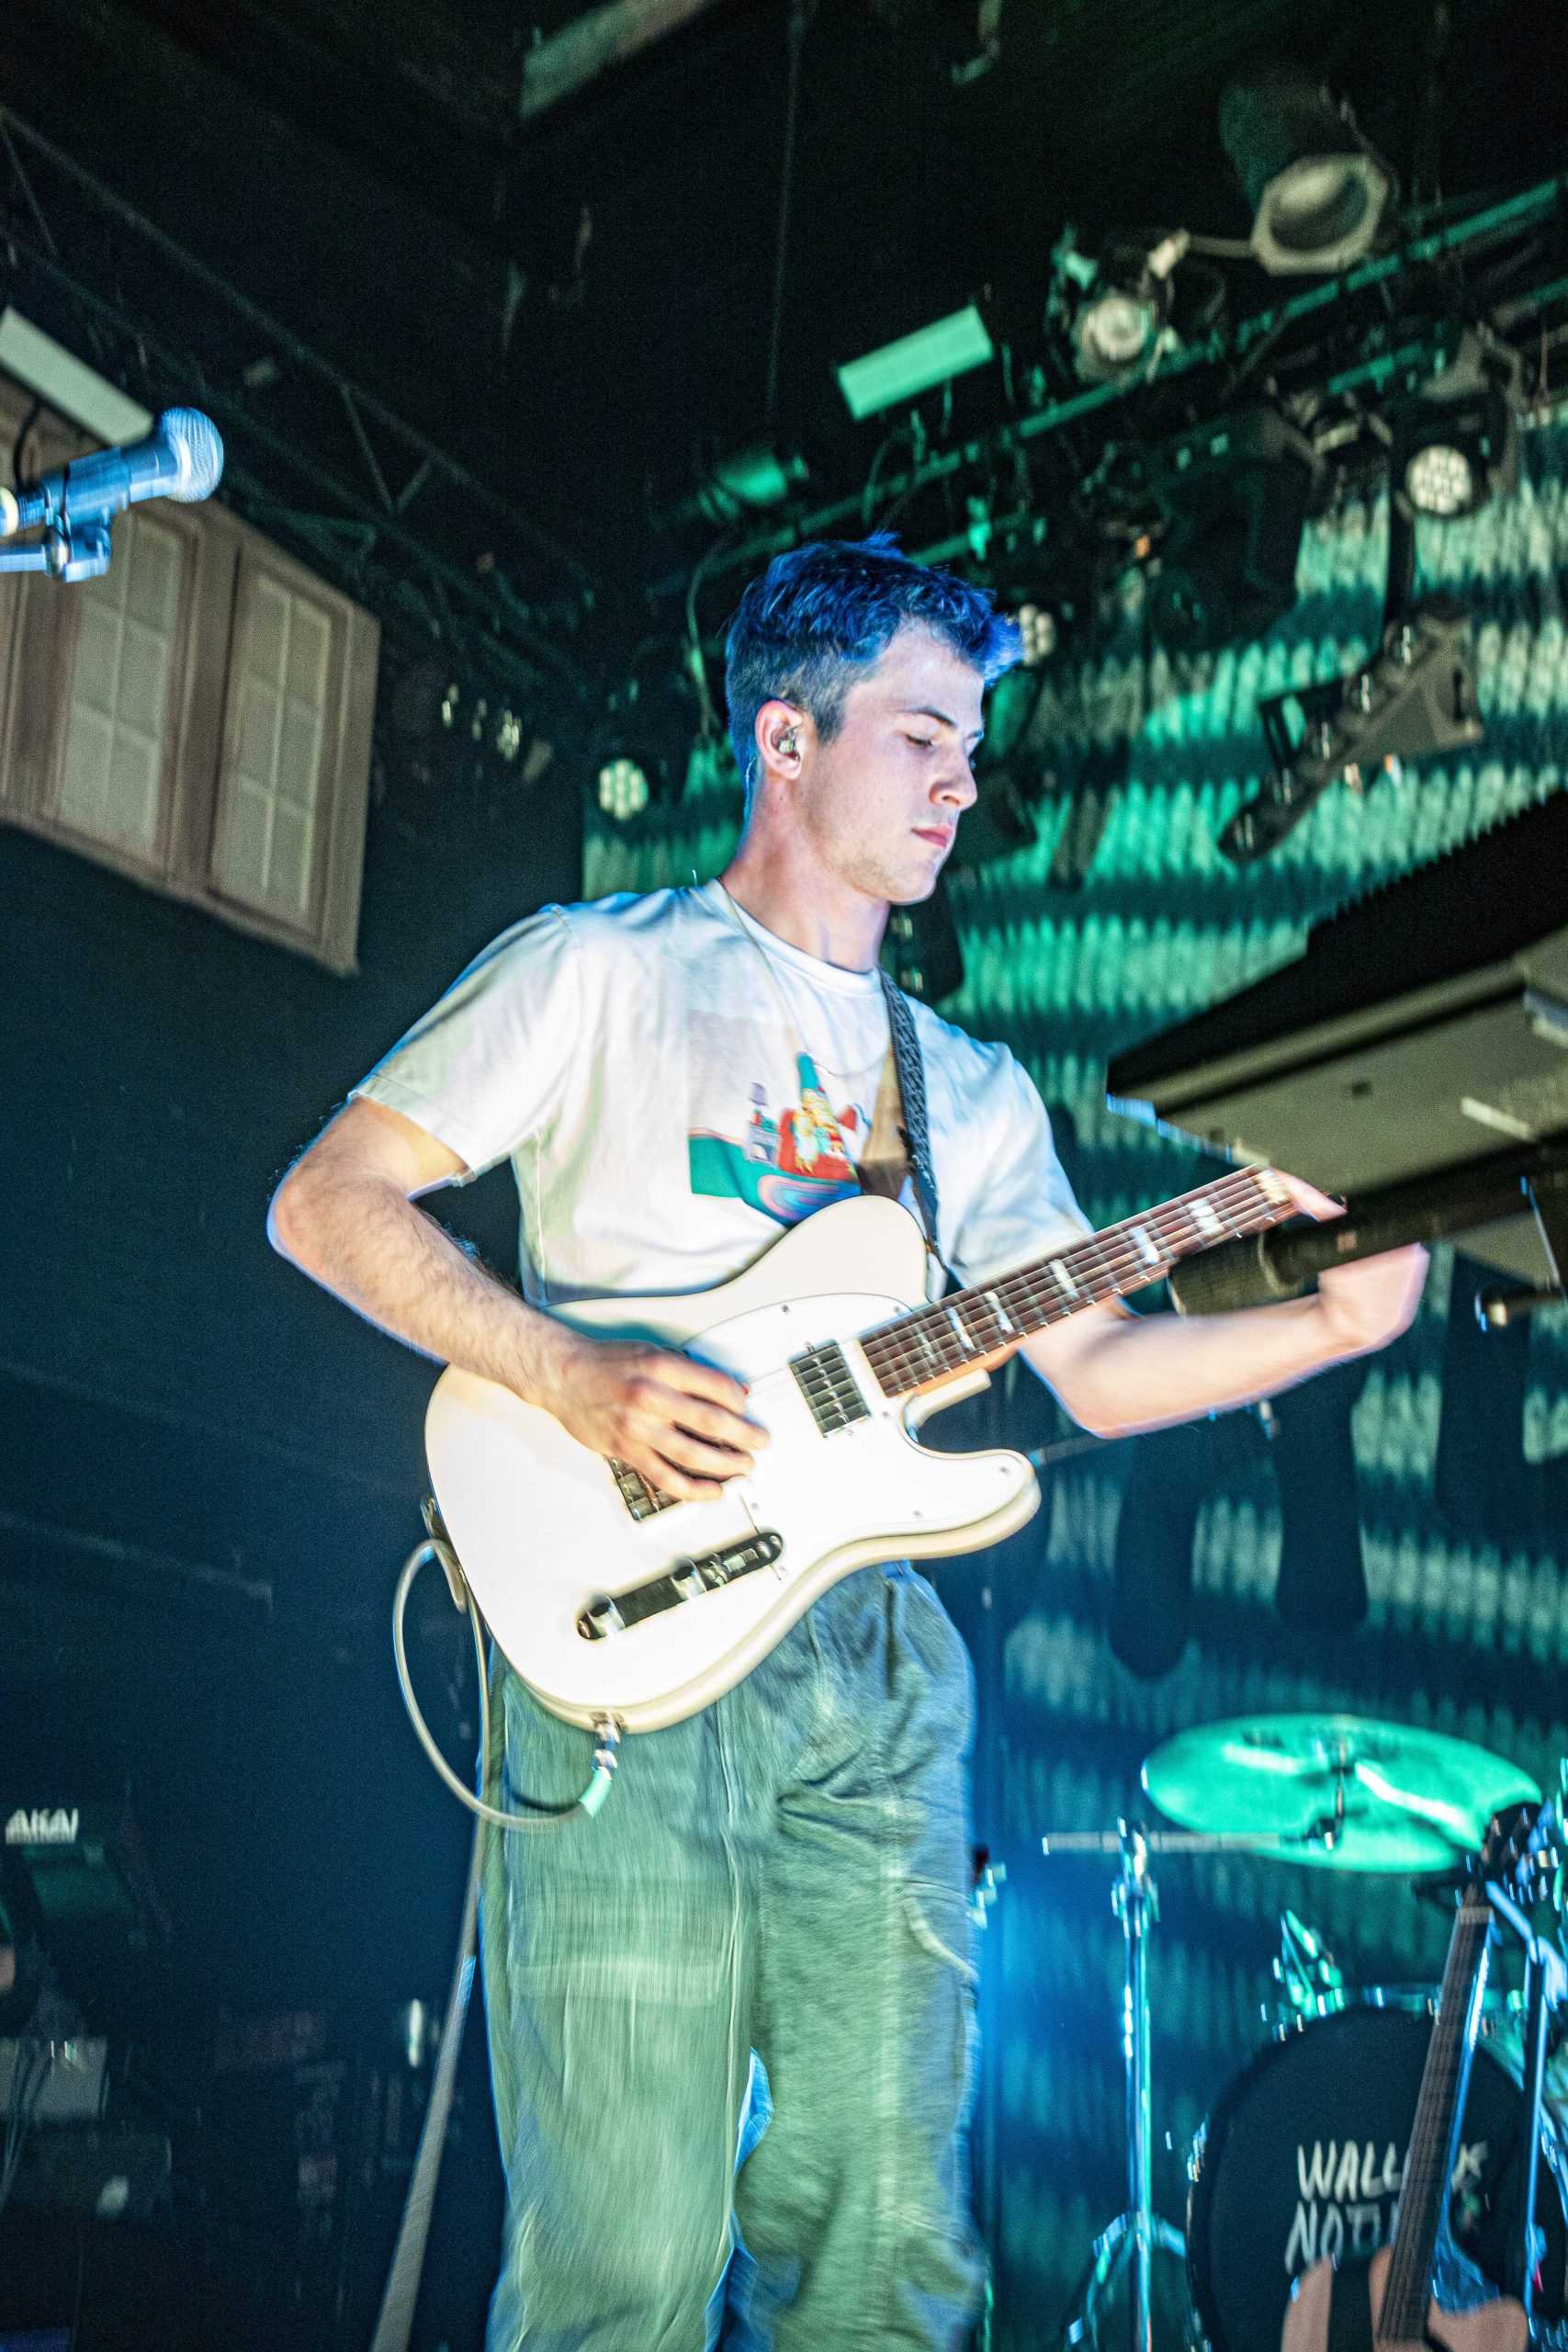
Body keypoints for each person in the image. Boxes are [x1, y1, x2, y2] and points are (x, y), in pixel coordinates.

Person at [268, 534, 1426, 2351]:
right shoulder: (596, 968)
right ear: (784, 742)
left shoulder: (968, 1086)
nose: (962, 781)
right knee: (620, 2268)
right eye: (922, 735)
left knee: (890, 2253)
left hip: (874, 1666)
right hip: (613, 1664)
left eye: (973, 744)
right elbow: (329, 1203)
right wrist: (569, 1372)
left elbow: (1095, 1371)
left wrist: (1326, 1317)